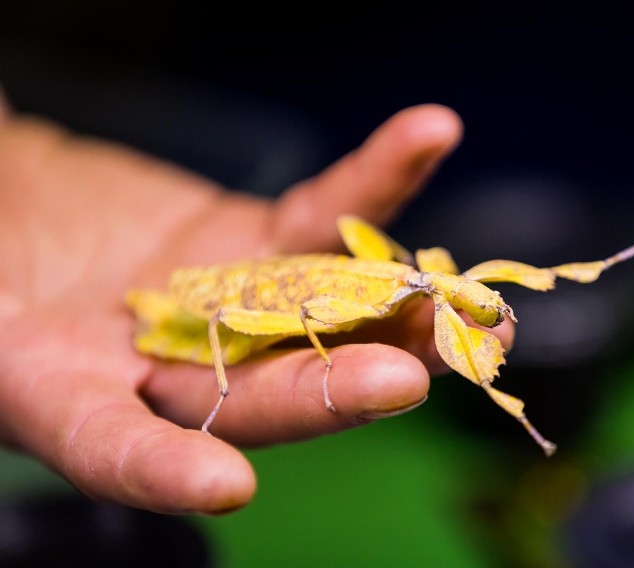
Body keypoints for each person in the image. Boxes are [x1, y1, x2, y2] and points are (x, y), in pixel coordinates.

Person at [0, 96, 514, 514]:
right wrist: (328, 362)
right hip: (249, 290)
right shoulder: (402, 283)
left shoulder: (419, 283)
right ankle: (219, 386)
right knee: (235, 315)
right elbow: (313, 313)